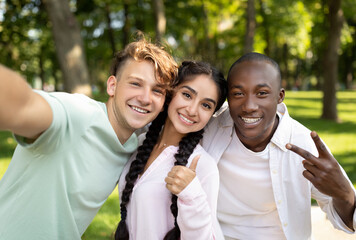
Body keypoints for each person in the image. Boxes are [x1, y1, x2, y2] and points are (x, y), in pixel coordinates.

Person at [0, 39, 178, 240]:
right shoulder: (78, 114)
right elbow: (22, 105)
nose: (146, 98)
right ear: (112, 86)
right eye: (135, 83)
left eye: (157, 91)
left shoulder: (135, 145)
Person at [202, 52, 356, 240]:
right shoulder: (210, 127)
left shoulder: (304, 144)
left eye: (262, 93)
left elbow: (349, 224)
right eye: (238, 93)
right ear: (228, 97)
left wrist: (345, 194)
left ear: (280, 96)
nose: (249, 106)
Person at [116, 61, 227, 240]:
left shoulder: (203, 166)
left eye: (206, 105)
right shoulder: (141, 144)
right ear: (170, 94)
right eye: (187, 95)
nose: (192, 110)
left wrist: (192, 195)